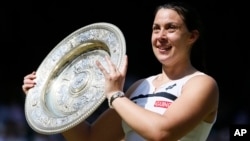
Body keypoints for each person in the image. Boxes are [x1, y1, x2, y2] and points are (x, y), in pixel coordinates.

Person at [22, 1, 219, 141]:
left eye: (171, 28)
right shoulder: (140, 87)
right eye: (156, 28)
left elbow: (162, 133)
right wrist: (49, 98)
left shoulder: (202, 84)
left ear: (192, 36)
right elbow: (90, 138)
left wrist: (116, 95)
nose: (160, 36)